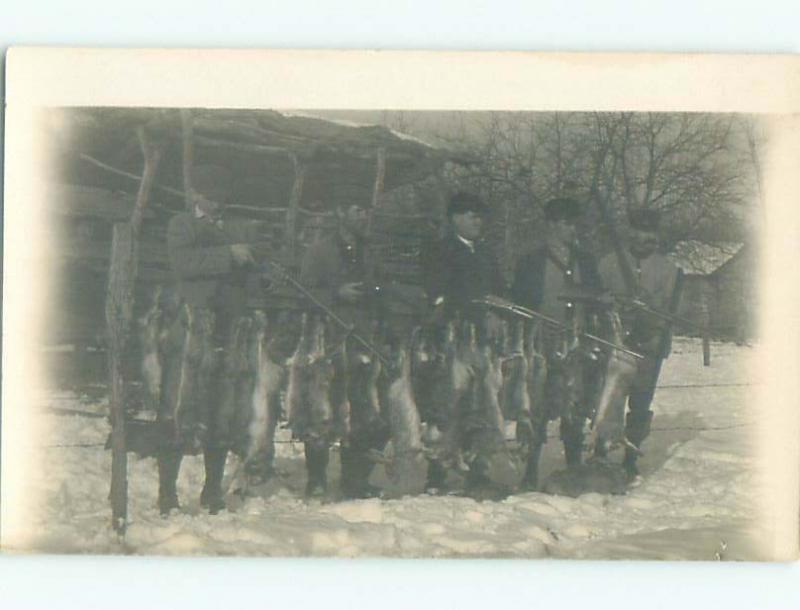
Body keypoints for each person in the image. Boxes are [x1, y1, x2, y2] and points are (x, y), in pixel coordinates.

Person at [159, 164, 263, 516]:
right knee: (178, 406)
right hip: (191, 330)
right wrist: (228, 255)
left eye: (222, 197)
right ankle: (166, 493)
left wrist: (253, 299)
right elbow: (183, 264)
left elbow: (250, 278)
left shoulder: (235, 228)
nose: (217, 203)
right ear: (196, 196)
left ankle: (212, 490)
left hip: (228, 328)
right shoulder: (181, 224)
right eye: (211, 196)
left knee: (222, 409)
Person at [299, 201, 389, 499]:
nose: (363, 216)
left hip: (361, 336)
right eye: (356, 210)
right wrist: (335, 293)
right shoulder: (320, 249)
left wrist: (374, 292)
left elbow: (379, 286)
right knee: (321, 407)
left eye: (364, 211)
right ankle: (316, 479)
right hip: (328, 335)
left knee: (361, 406)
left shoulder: (370, 250)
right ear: (340, 214)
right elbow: (305, 290)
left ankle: (354, 480)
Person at [511, 196, 601, 489]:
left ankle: (573, 466)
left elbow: (597, 295)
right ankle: (531, 470)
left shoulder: (586, 261)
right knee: (538, 407)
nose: (572, 229)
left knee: (574, 406)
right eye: (566, 223)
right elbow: (518, 302)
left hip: (576, 343)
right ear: (550, 225)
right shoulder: (530, 262)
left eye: (575, 223)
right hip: (541, 344)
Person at [420, 192, 507, 494]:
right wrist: (478, 312)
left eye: (480, 216)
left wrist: (496, 312)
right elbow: (438, 293)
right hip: (451, 341)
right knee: (448, 402)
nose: (478, 221)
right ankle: (439, 472)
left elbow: (499, 291)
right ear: (455, 218)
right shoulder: (440, 252)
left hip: (483, 345)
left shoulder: (485, 254)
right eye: (472, 215)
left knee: (482, 404)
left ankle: (477, 469)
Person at [597, 208, 682, 481]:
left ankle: (630, 455)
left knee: (640, 401)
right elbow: (597, 295)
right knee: (609, 397)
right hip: (613, 339)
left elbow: (669, 308)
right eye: (638, 234)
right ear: (630, 233)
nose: (643, 240)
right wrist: (610, 303)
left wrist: (646, 310)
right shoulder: (609, 263)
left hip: (649, 343)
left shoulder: (668, 269)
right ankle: (599, 451)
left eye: (649, 236)